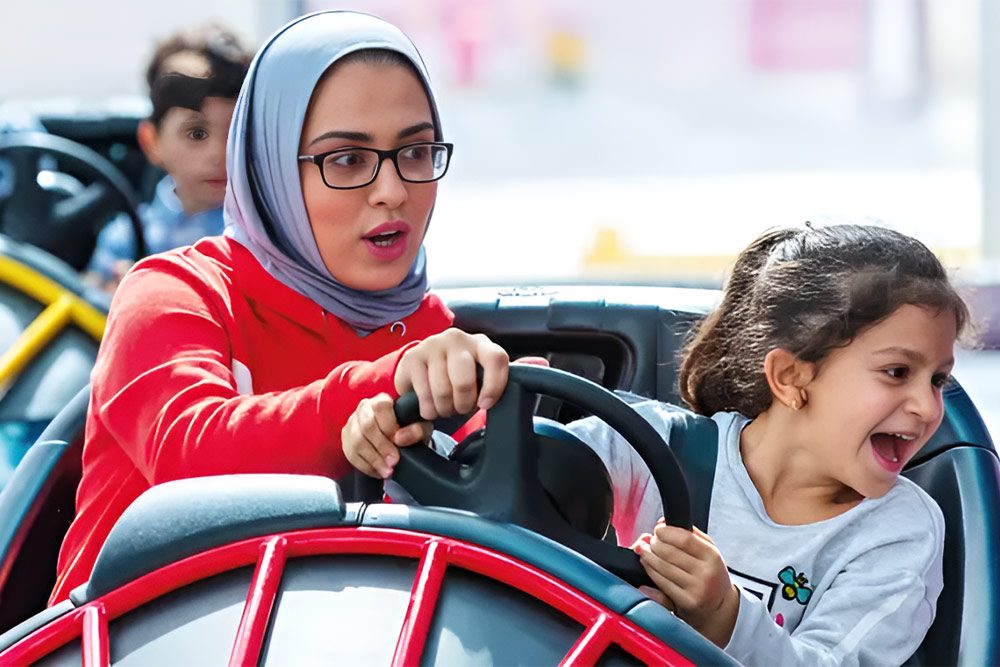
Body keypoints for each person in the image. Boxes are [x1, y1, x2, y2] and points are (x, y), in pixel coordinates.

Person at [49, 10, 508, 603]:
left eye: (416, 152)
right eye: (346, 159)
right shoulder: (172, 293)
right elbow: (190, 457)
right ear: (269, 169)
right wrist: (383, 385)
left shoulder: (427, 333)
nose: (393, 189)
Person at [566, 223, 968, 665]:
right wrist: (481, 387)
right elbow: (505, 477)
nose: (929, 409)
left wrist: (724, 617)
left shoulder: (898, 533)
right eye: (896, 372)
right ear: (791, 377)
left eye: (937, 380)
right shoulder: (653, 445)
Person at [84, 24, 253, 291]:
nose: (221, 154)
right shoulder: (125, 236)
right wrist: (112, 294)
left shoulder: (263, 234)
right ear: (153, 141)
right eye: (197, 134)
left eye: (236, 132)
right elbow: (87, 304)